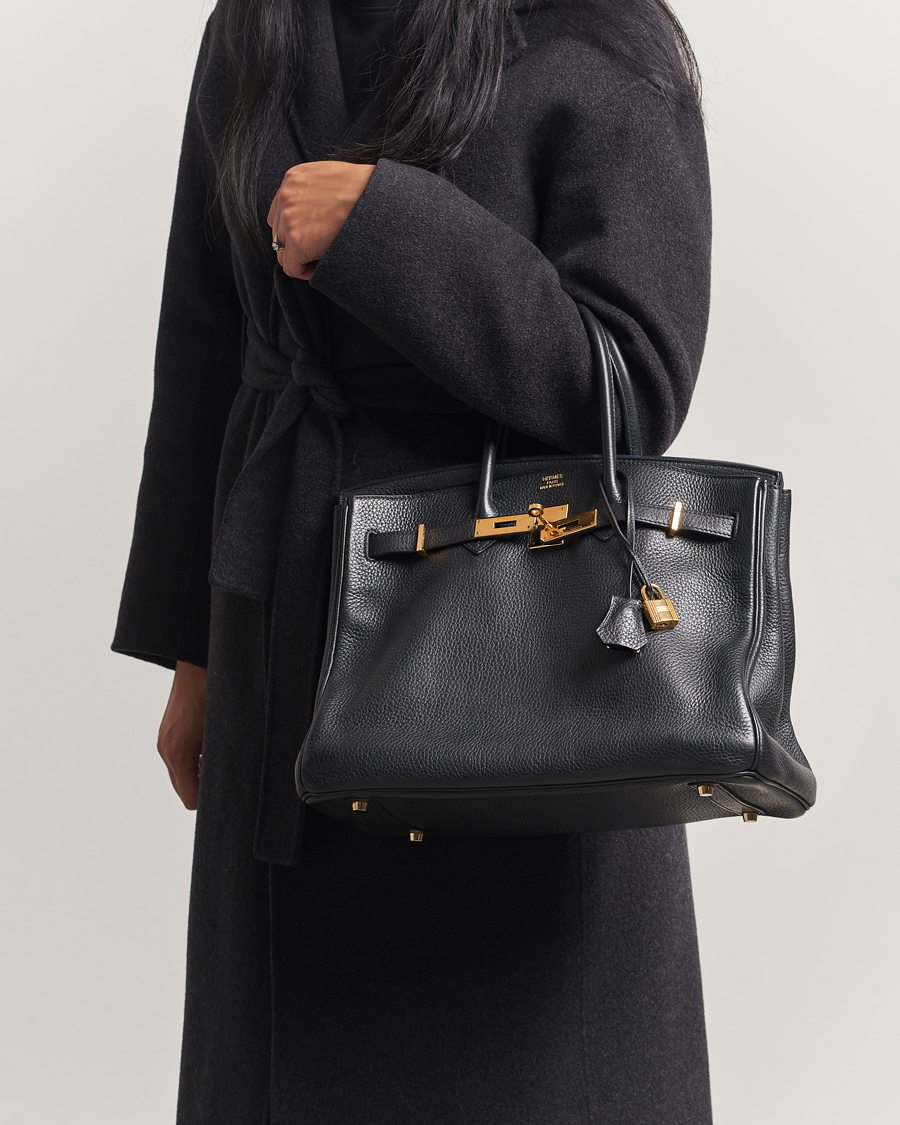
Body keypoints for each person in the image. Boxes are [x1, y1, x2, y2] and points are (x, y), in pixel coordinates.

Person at [113, 0, 714, 1119]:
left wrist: (387, 227)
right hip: (285, 637)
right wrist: (193, 654)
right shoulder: (257, 24)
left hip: (518, 666)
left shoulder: (597, 32)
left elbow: (633, 381)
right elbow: (202, 348)